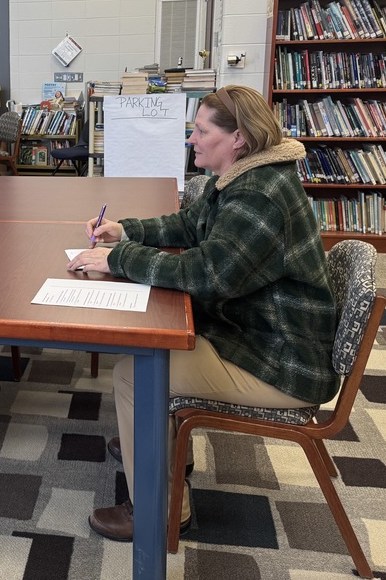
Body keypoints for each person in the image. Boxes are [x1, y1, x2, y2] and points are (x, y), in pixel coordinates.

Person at [66, 85, 338, 541]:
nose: (190, 139)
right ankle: (159, 445)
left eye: (201, 130)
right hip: (255, 333)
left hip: (282, 363)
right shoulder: (243, 175)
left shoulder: (260, 195)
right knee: (157, 350)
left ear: (238, 138)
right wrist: (125, 231)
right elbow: (190, 226)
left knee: (135, 375)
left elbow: (209, 273)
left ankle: (158, 510)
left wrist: (118, 259)